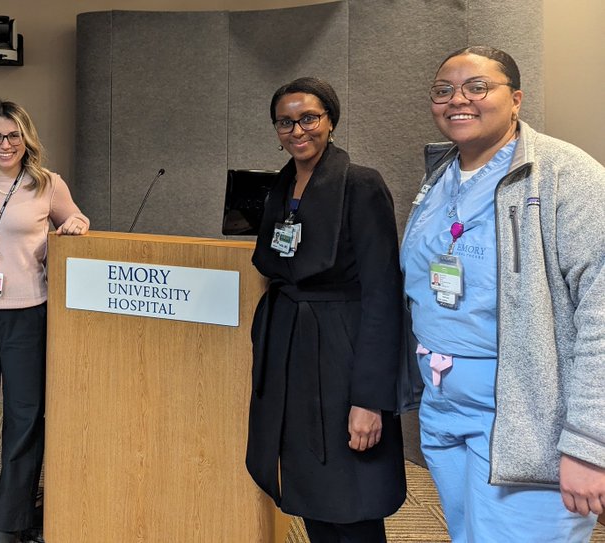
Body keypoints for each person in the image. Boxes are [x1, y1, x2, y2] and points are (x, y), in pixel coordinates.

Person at [400, 46, 605, 542]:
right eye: (443, 90)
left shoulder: (568, 176)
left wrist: (588, 443)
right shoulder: (441, 175)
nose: (458, 100)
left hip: (526, 417)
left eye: (477, 87)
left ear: (515, 99)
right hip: (443, 404)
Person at [247, 77, 406, 543]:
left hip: (344, 352)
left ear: (330, 122)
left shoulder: (361, 185)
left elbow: (382, 296)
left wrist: (370, 400)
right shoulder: (280, 185)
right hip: (292, 352)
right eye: (285, 122)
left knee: (350, 490)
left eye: (309, 118)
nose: (298, 131)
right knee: (309, 484)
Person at [0, 100, 89, 543]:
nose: (5, 144)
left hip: (28, 314)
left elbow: (75, 219)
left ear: (26, 139)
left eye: (13, 135)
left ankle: (9, 523)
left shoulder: (47, 184)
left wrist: (75, 226)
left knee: (24, 418)